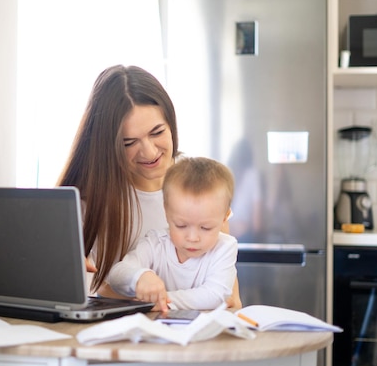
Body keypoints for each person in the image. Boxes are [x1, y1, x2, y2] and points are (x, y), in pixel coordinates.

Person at [57, 64, 242, 309]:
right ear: (108, 146)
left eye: (157, 132)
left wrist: (161, 300)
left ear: (171, 122)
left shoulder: (197, 189)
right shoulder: (89, 202)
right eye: (129, 142)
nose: (150, 152)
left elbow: (230, 299)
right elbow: (95, 285)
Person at [107, 157, 237, 312]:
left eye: (205, 227)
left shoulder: (225, 247)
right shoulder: (155, 243)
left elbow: (215, 295)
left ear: (224, 218)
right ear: (166, 213)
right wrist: (139, 277)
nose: (192, 238)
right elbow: (116, 274)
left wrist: (162, 300)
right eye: (181, 225)